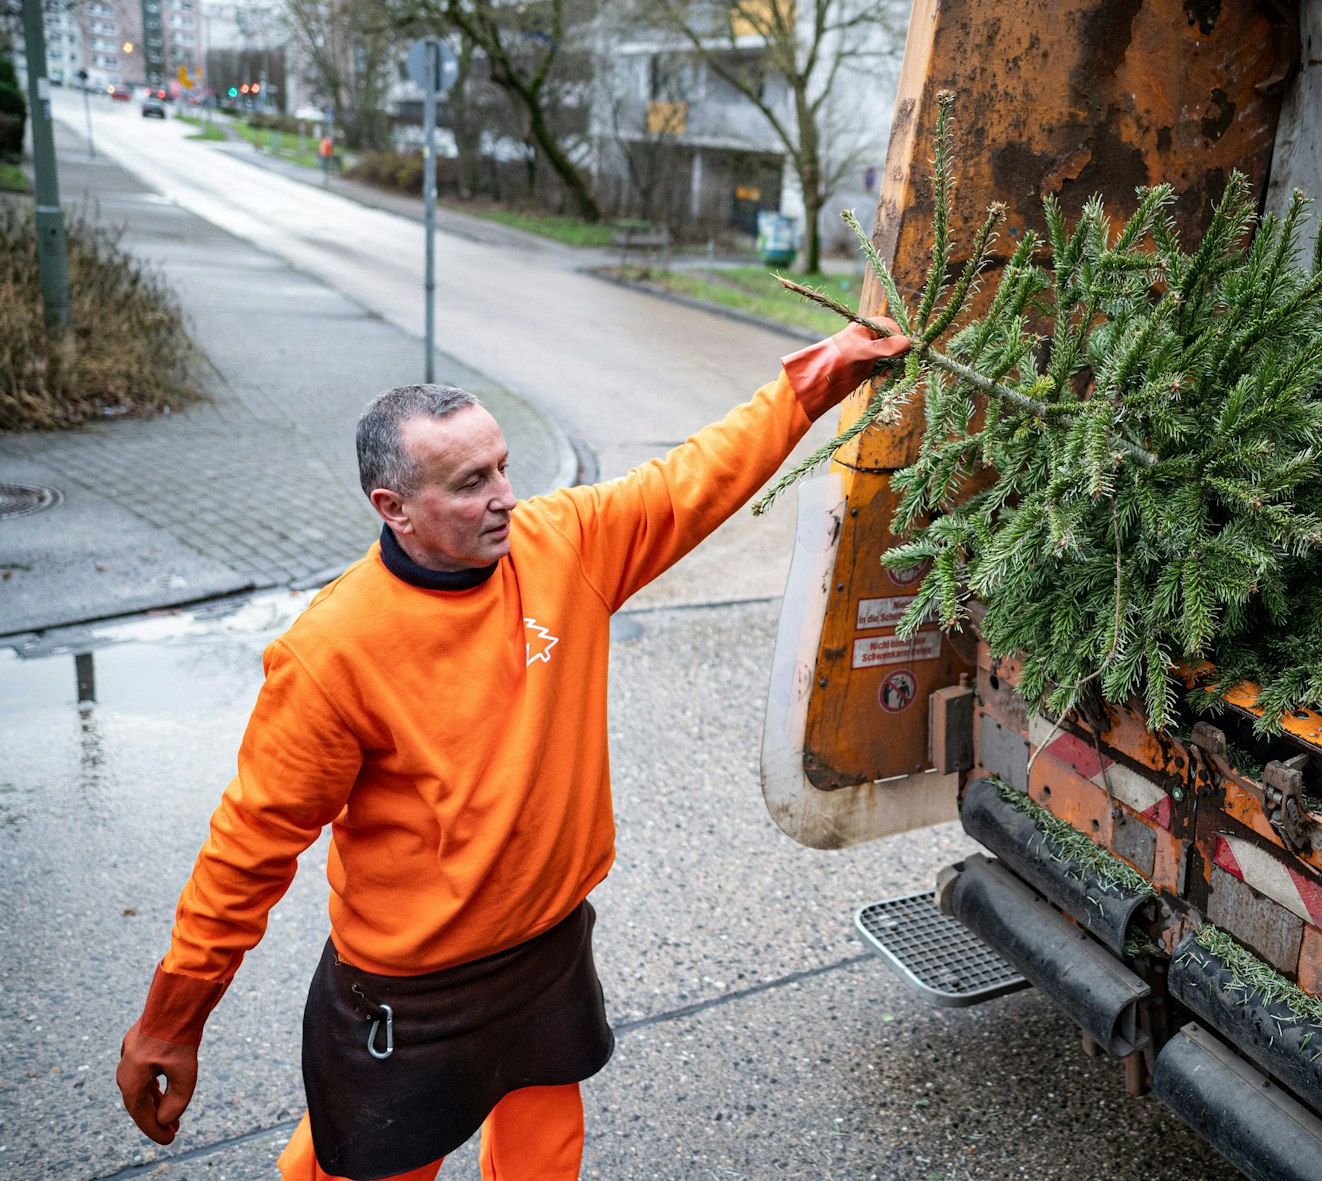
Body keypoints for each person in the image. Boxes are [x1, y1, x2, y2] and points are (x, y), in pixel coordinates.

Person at [115, 320, 911, 1180]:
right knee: (364, 1165)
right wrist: (172, 1017)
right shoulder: (332, 652)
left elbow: (694, 477)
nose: (504, 496)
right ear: (394, 508)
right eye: (470, 483)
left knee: (542, 1159)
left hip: (544, 958)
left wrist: (817, 378)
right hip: (408, 996)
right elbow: (249, 848)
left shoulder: (562, 544)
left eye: (502, 466)